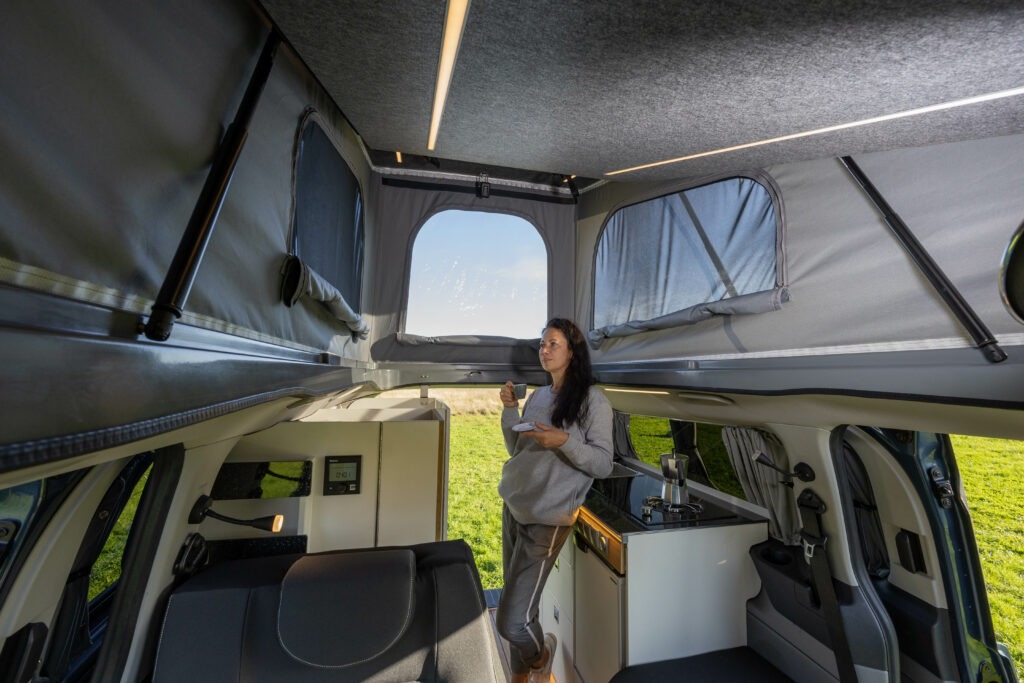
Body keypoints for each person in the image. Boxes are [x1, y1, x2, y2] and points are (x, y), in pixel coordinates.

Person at [495, 318, 614, 683]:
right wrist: (510, 409)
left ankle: (542, 655)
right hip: (514, 506)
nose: (543, 351)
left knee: (512, 622)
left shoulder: (594, 401)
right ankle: (520, 677)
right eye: (542, 345)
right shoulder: (539, 396)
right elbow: (517, 448)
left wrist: (563, 441)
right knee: (520, 608)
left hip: (547, 519)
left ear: (572, 352)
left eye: (552, 344)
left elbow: (603, 463)